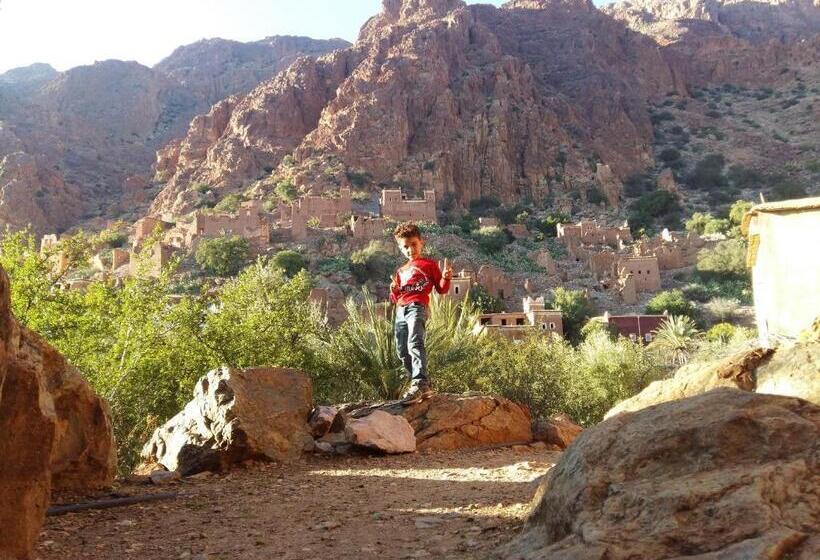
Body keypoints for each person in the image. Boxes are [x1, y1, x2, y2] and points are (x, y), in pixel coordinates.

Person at [389, 222, 453, 402]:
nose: (410, 250)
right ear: (400, 248)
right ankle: (418, 382)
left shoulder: (429, 264)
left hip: (417, 306)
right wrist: (393, 289)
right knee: (402, 350)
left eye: (413, 245)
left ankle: (420, 382)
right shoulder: (401, 271)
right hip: (400, 311)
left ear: (421, 242)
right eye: (405, 247)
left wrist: (446, 278)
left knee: (415, 342)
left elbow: (441, 289)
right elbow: (395, 298)